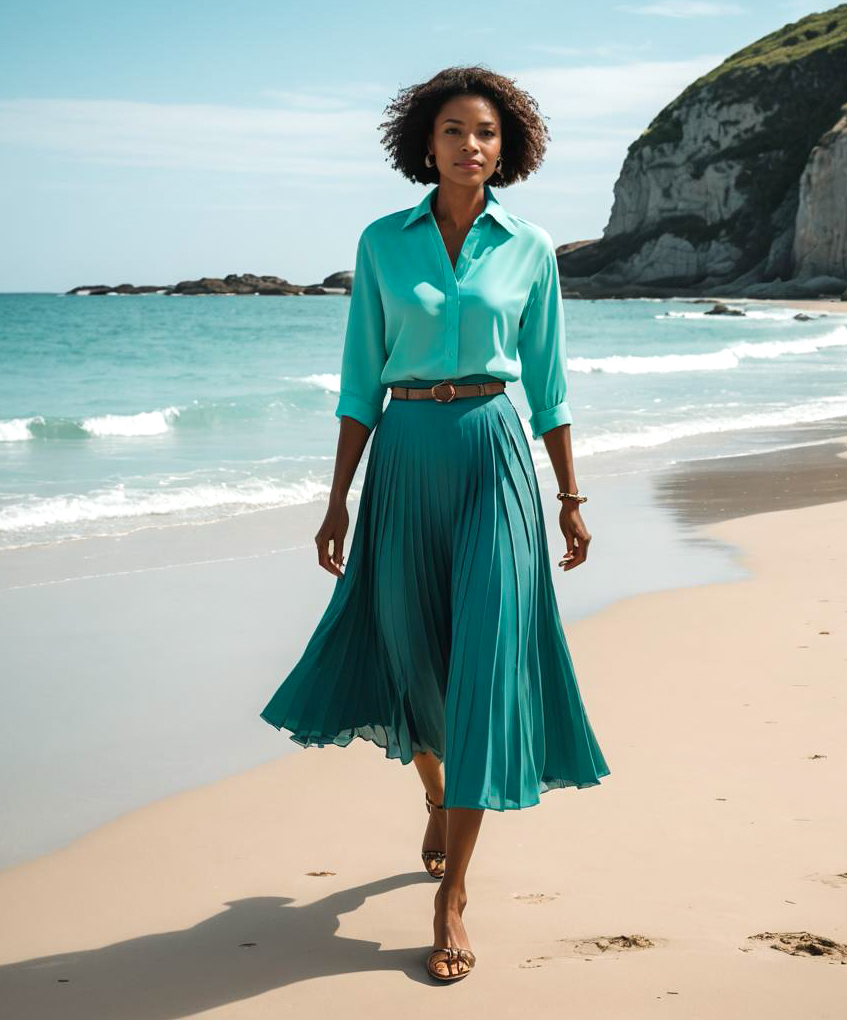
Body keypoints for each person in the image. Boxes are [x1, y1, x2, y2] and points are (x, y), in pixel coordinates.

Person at [259, 64, 610, 983]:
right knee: (414, 655)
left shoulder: (530, 248)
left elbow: (551, 383)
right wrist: (337, 497)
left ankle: (453, 893)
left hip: (495, 454)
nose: (471, 147)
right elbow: (357, 382)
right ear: (426, 144)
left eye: (486, 133)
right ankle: (436, 791)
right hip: (406, 454)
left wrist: (571, 496)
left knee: (486, 665)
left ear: (510, 148)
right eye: (454, 131)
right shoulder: (382, 244)